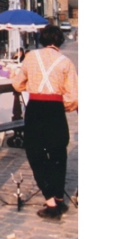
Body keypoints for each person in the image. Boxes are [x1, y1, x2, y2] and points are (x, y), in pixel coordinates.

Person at [12, 24, 78, 220]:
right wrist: (61, 106)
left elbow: (17, 84)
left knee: (35, 152)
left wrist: (30, 86)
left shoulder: (31, 57)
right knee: (58, 151)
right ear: (60, 41)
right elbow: (74, 96)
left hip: (36, 108)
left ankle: (50, 199)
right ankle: (58, 196)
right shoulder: (66, 62)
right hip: (55, 109)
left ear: (42, 39)